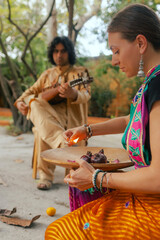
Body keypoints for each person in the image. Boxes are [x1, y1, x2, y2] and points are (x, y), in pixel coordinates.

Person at [45, 4, 160, 239]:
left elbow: (158, 177)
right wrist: (88, 130)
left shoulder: (158, 87)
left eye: (116, 50)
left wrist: (97, 178)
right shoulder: (151, 84)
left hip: (154, 208)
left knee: (58, 233)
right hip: (146, 198)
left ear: (140, 43)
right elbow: (135, 118)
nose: (113, 60)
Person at [14, 36, 91, 190]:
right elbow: (27, 94)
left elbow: (86, 95)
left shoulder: (80, 73)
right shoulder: (47, 74)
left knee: (43, 129)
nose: (59, 55)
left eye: (63, 51)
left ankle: (64, 150)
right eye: (56, 51)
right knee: (34, 103)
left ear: (69, 53)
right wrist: (20, 103)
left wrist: (73, 94)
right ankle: (46, 175)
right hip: (50, 120)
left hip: (72, 123)